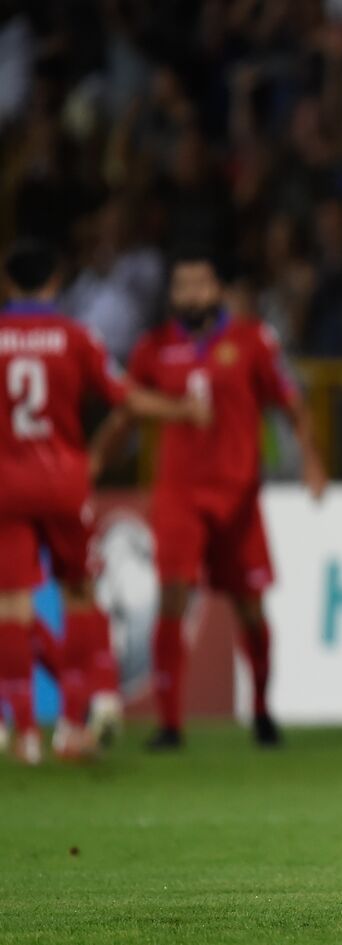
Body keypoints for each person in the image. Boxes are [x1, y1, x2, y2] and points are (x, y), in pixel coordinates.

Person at [89, 248, 327, 751]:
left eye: (199, 285)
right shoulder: (153, 348)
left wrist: (311, 458)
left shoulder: (251, 340)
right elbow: (127, 413)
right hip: (178, 493)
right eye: (182, 287)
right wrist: (92, 463)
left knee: (250, 605)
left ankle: (263, 711)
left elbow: (291, 401)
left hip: (238, 495)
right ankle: (170, 723)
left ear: (216, 288)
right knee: (173, 595)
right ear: (171, 294)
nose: (190, 295)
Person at [0, 240, 201, 763]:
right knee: (80, 595)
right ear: (53, 284)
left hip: (6, 484)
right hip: (64, 480)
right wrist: (181, 410)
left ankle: (22, 734)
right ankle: (72, 728)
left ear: (7, 284)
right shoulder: (75, 336)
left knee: (11, 606)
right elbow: (126, 399)